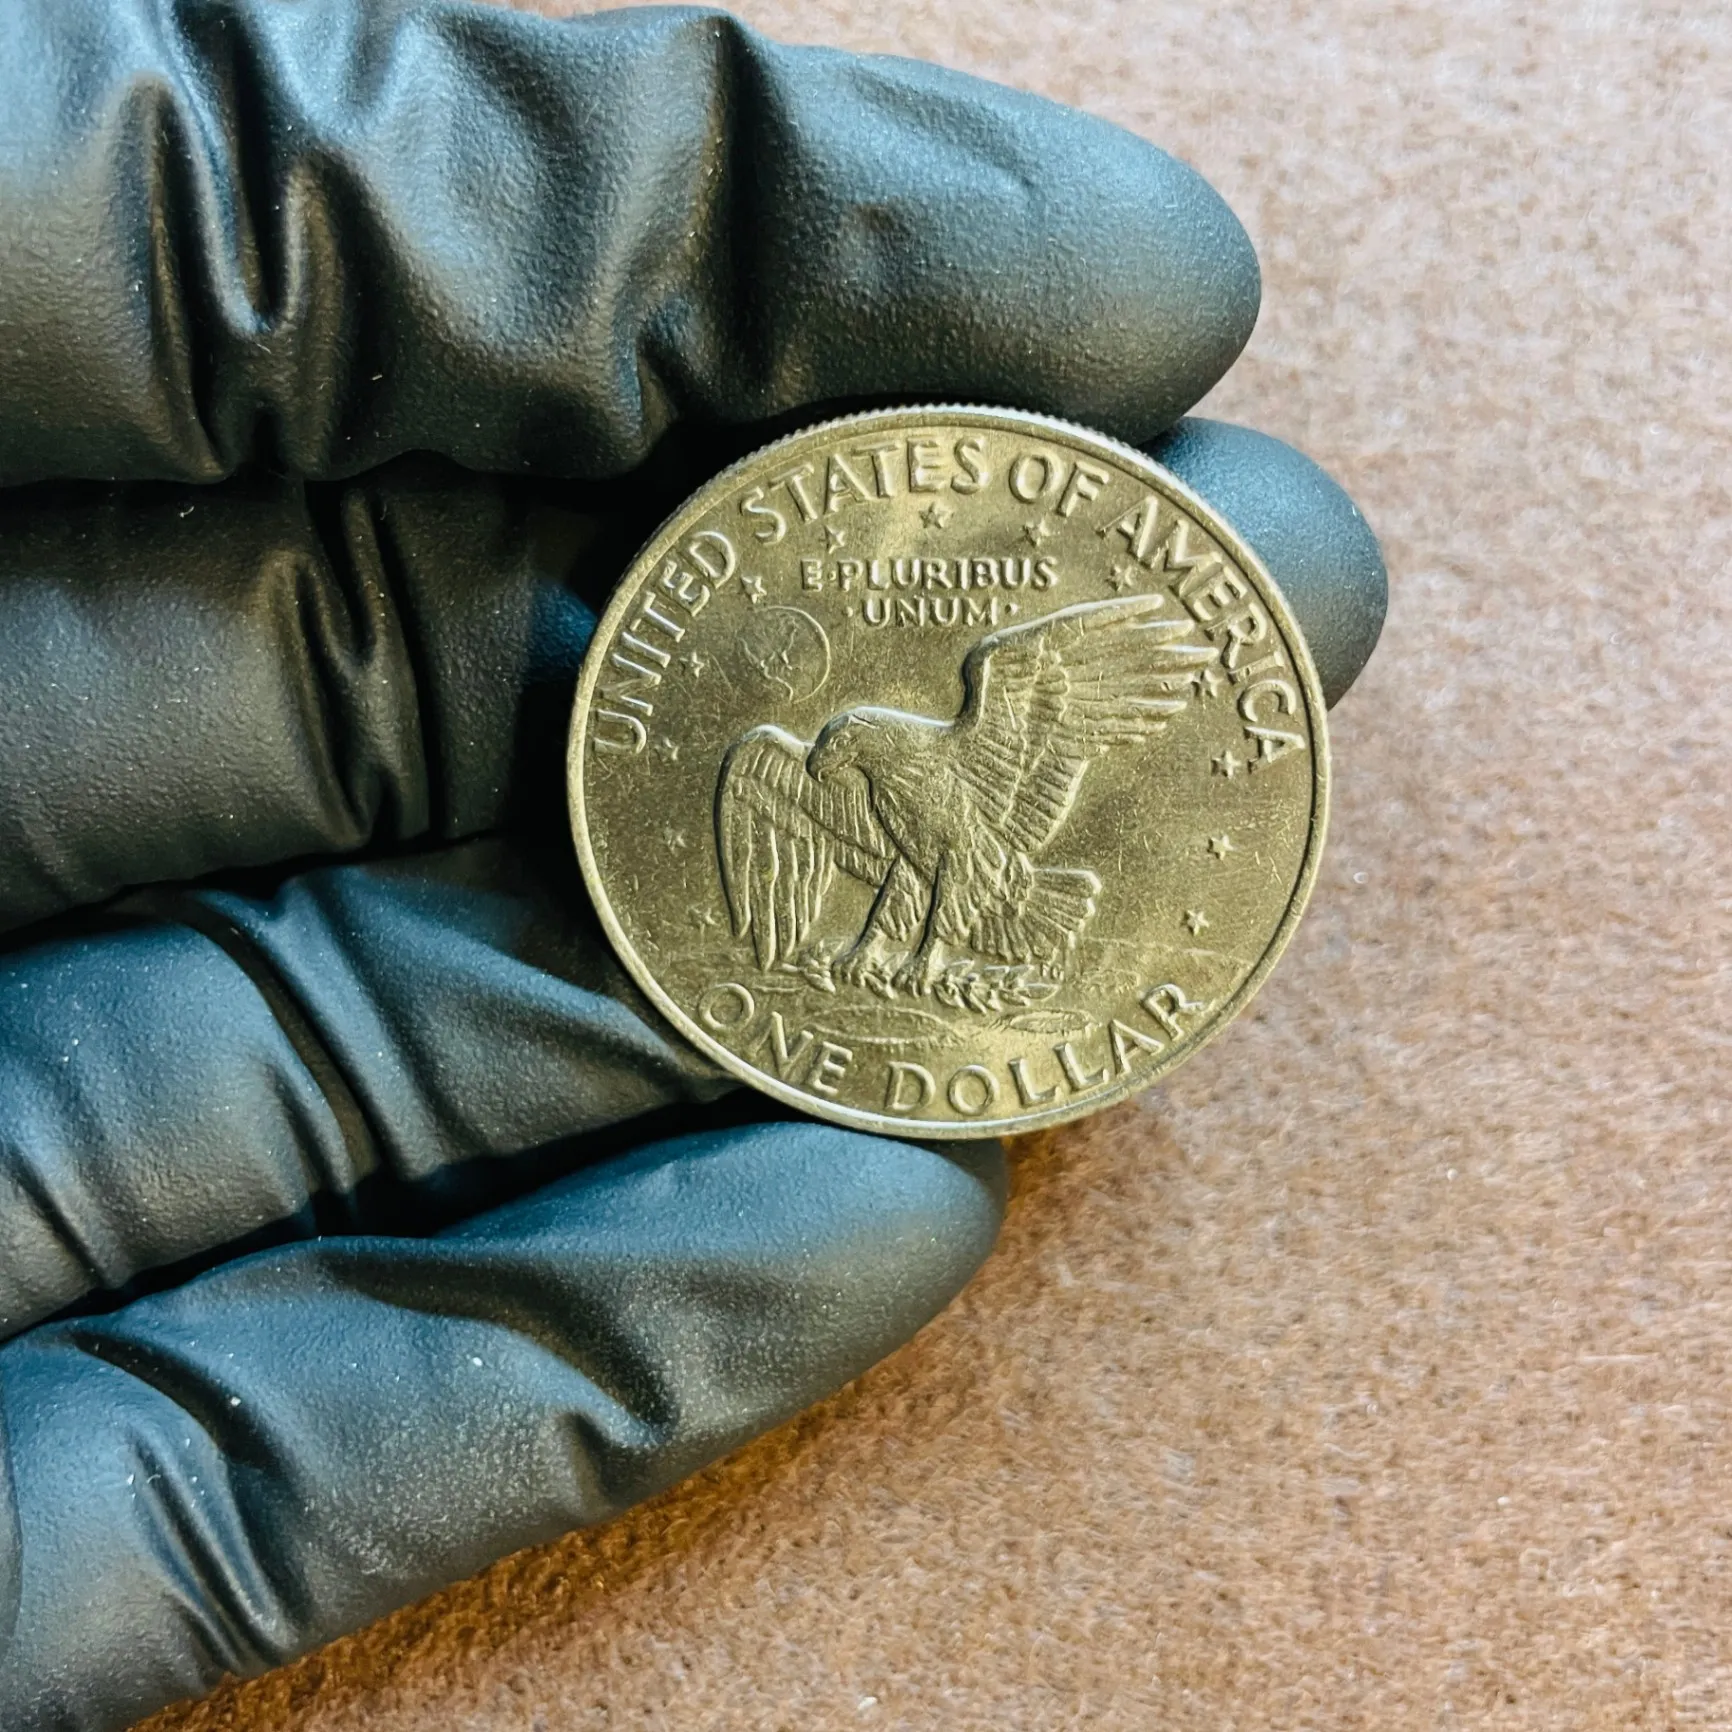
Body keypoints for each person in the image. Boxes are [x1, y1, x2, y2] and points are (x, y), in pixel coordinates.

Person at [0, 3, 1385, 1726]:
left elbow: (979, 775)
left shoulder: (1001, 706)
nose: (836, 776)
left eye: (848, 764)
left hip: (1000, 895)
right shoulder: (832, 763)